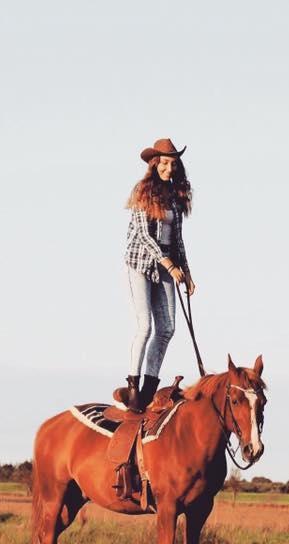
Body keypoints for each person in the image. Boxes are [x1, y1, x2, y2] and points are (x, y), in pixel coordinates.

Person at [120, 138, 196, 413]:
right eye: (164, 163)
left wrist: (186, 271)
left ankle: (149, 388)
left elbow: (177, 239)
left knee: (168, 328)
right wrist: (169, 264)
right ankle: (132, 386)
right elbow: (143, 234)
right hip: (140, 263)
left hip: (167, 265)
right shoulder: (143, 192)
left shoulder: (176, 197)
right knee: (145, 326)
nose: (169, 168)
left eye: (173, 164)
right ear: (155, 165)